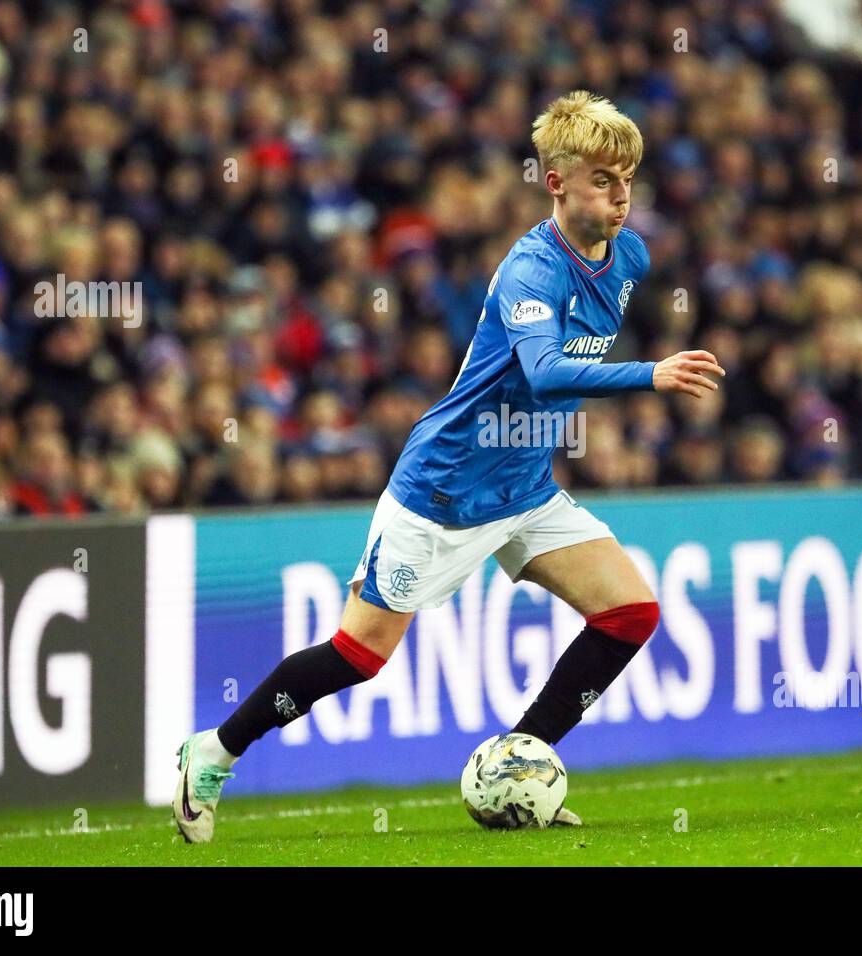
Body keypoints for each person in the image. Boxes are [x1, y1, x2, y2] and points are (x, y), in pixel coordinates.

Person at [172, 90, 725, 842]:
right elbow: (545, 371)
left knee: (631, 613)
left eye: (627, 178)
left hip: (525, 488)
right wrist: (648, 375)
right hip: (444, 489)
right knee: (357, 656)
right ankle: (216, 749)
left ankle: (522, 760)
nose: (620, 194)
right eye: (602, 179)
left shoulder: (631, 256)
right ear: (556, 182)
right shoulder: (531, 270)